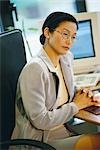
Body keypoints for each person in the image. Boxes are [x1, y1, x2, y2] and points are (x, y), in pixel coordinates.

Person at [12, 11, 98, 149]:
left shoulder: (65, 58)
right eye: (65, 34)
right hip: (41, 141)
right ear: (47, 32)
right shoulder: (35, 69)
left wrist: (83, 95)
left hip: (64, 130)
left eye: (73, 37)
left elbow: (61, 92)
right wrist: (76, 106)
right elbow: (40, 120)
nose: (69, 41)